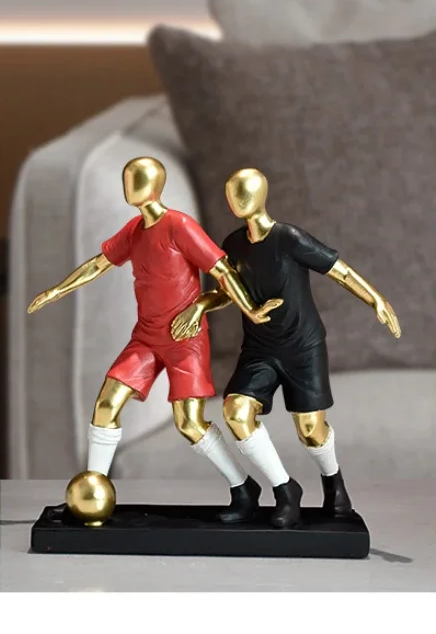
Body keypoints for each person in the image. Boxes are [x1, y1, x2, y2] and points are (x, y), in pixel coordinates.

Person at [28, 156, 281, 522]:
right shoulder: (134, 230)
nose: (128, 186)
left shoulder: (179, 225)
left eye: (136, 179)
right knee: (106, 404)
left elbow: (223, 271)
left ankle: (243, 487)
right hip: (146, 338)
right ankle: (92, 493)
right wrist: (56, 290)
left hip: (184, 339)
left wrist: (248, 309)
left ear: (154, 186)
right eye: (126, 178)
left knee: (189, 423)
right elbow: (99, 263)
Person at [172, 168, 400, 528]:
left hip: (302, 347)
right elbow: (228, 292)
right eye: (231, 193)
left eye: (242, 191)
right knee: (236, 411)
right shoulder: (232, 244)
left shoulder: (289, 238)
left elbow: (338, 270)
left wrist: (376, 299)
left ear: (260, 195)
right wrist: (200, 305)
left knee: (310, 429)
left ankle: (334, 482)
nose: (235, 199)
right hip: (260, 349)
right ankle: (285, 489)